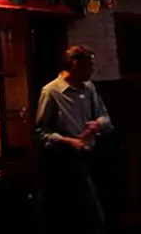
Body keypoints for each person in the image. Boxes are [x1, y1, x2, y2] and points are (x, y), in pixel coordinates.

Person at [36, 45, 113, 234]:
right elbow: (40, 131)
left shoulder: (89, 89)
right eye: (90, 66)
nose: (93, 70)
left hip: (95, 156)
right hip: (66, 162)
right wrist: (70, 142)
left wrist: (97, 124)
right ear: (76, 64)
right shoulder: (51, 92)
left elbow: (106, 118)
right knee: (90, 216)